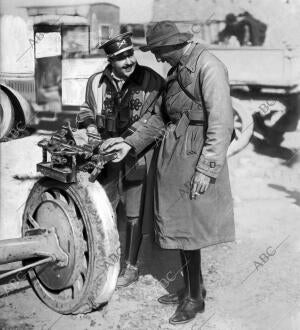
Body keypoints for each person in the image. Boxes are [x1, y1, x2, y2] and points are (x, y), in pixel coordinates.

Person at [105, 21, 235, 325]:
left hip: (195, 158)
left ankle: (195, 300)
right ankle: (192, 287)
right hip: (179, 157)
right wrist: (129, 143)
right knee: (180, 226)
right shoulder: (178, 70)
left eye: (160, 51)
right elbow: (159, 117)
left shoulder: (208, 66)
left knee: (189, 230)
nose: (158, 58)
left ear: (175, 45)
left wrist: (207, 168)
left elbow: (222, 121)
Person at [77, 32, 165, 288]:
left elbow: (158, 117)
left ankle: (131, 267)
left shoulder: (152, 80)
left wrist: (126, 141)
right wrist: (91, 127)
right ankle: (101, 261)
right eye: (119, 57)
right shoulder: (95, 82)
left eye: (129, 54)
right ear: (109, 60)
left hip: (137, 156)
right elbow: (85, 108)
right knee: (104, 208)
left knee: (135, 214)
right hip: (104, 158)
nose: (128, 61)